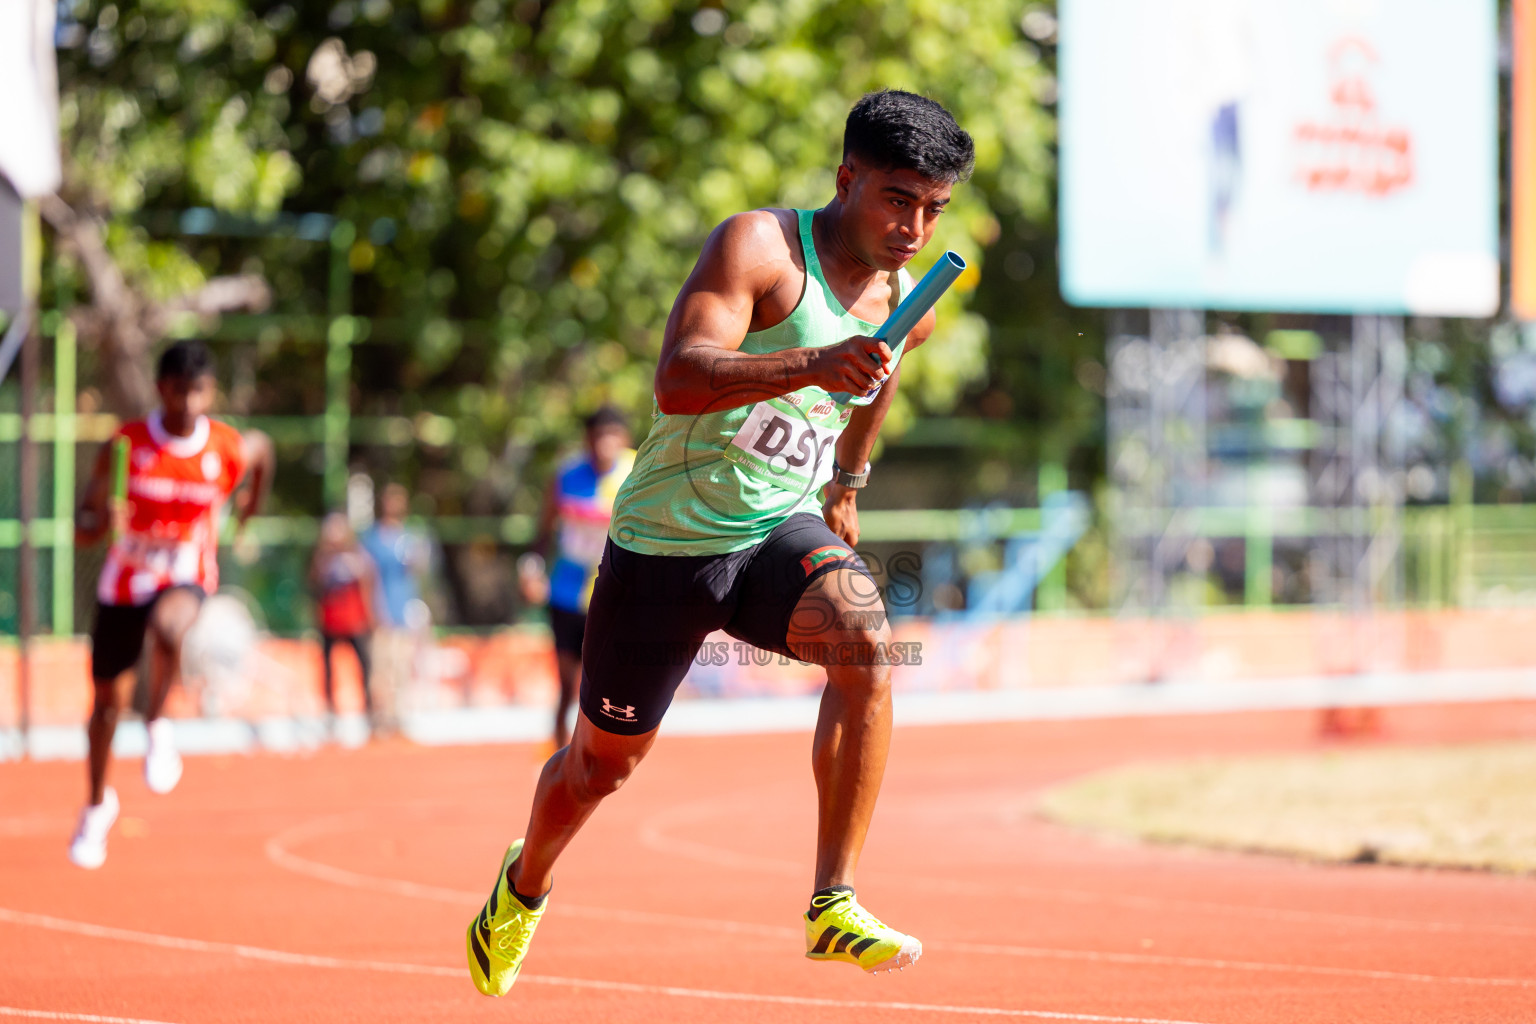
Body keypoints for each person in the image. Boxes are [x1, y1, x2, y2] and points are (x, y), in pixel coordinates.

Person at [467, 90, 971, 995]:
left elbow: (885, 363)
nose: (914, 228)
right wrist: (817, 361)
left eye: (934, 209)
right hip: (663, 551)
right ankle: (523, 885)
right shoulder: (760, 249)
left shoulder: (906, 295)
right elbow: (678, 380)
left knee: (868, 643)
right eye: (898, 199)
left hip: (776, 528)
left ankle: (833, 903)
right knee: (597, 770)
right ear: (847, 178)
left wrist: (848, 479)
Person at [69, 340, 273, 869]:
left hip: (186, 573)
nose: (187, 403)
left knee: (168, 628)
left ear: (210, 393)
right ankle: (96, 805)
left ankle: (158, 722)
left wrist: (251, 507)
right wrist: (98, 525)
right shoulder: (126, 446)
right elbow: (84, 526)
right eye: (178, 391)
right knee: (106, 703)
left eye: (197, 392)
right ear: (161, 389)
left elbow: (263, 449)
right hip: (126, 580)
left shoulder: (223, 448)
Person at [521, 406, 636, 749]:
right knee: (567, 682)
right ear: (587, 440)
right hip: (566, 593)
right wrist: (530, 570)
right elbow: (542, 533)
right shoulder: (566, 476)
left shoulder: (637, 473)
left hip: (613, 592)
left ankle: (600, 752)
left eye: (611, 435)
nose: (604, 444)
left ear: (624, 439)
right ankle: (557, 758)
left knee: (605, 681)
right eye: (597, 436)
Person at [360, 482, 430, 732]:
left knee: (402, 668)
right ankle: (379, 718)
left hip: (404, 611)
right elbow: (367, 578)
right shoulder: (373, 538)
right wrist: (372, 610)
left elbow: (418, 571)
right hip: (381, 610)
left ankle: (398, 718)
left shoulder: (408, 537)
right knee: (381, 669)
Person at [310, 511, 378, 728]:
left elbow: (368, 586)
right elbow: (315, 586)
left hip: (354, 621)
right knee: (329, 668)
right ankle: (330, 712)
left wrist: (371, 615)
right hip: (330, 622)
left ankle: (369, 711)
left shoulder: (358, 557)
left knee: (364, 666)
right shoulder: (323, 560)